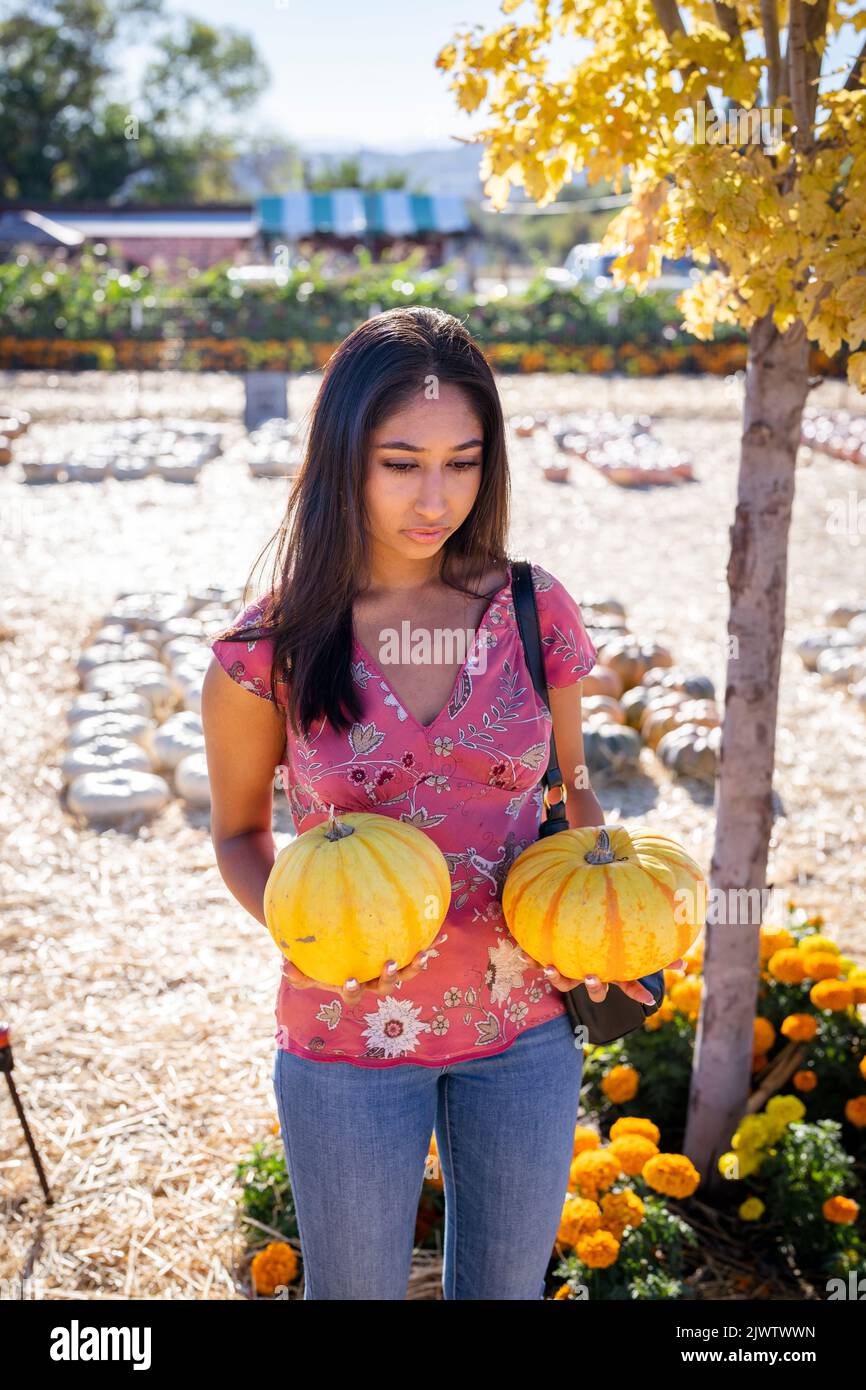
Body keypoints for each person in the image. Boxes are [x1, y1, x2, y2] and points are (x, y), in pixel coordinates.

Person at [202, 305, 672, 1300]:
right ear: (343, 458)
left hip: (524, 1023)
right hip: (349, 1029)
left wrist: (615, 931)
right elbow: (240, 832)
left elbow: (571, 795)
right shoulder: (271, 644)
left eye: (462, 460)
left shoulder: (534, 609)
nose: (435, 495)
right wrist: (323, 930)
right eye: (400, 461)